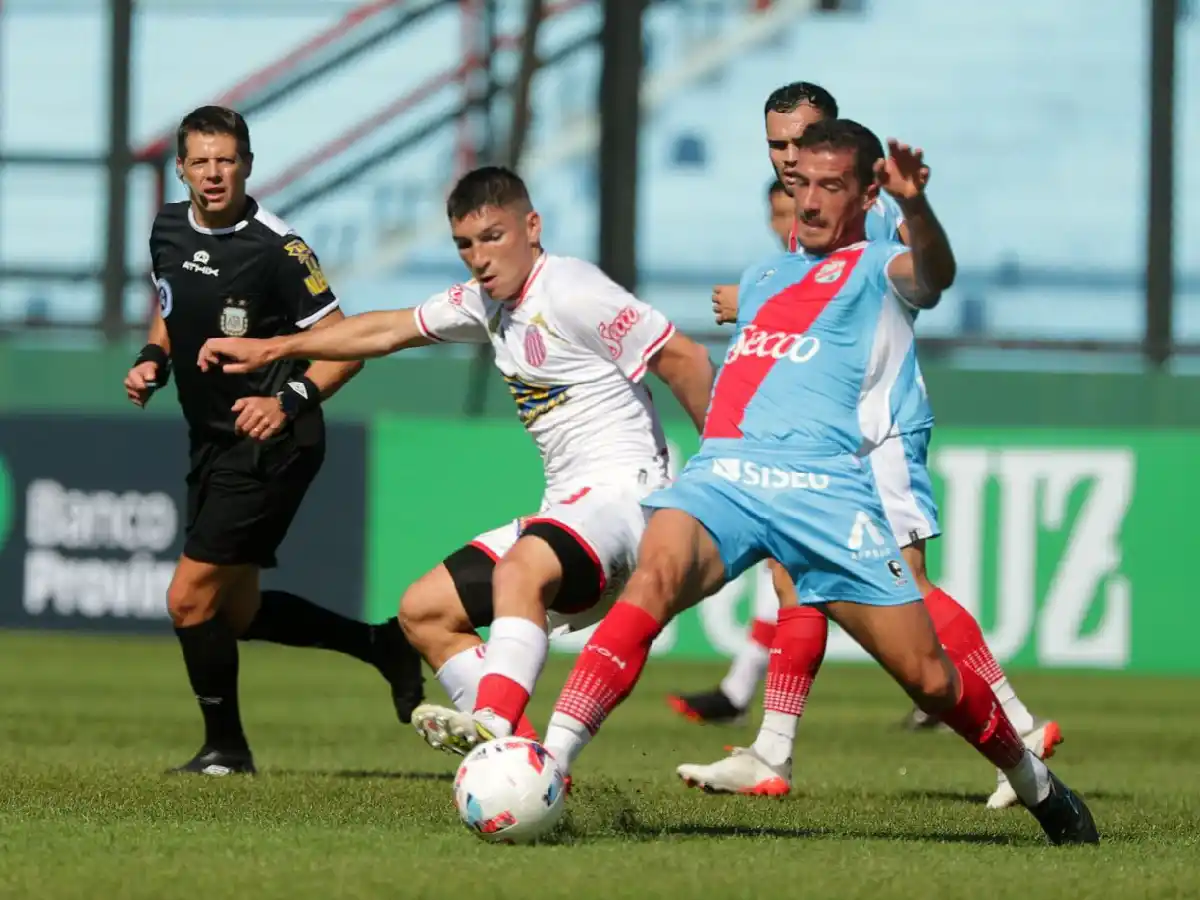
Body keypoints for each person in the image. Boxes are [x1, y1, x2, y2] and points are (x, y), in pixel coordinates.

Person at [436, 120, 1098, 845]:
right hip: (727, 474)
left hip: (825, 491)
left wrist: (917, 211)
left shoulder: (882, 266)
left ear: (867, 192)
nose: (808, 203)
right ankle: (547, 764)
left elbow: (934, 277)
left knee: (932, 682)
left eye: (829, 187)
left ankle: (1036, 783)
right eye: (798, 185)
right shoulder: (762, 275)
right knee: (654, 577)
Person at [196, 165, 716, 756]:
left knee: (520, 569)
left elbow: (686, 358)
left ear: (532, 227)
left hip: (622, 503)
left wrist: (720, 468)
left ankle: (493, 717)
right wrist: (276, 346)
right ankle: (526, 764)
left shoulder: (571, 290)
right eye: (465, 244)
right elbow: (385, 331)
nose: (479, 257)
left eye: (493, 236)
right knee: (425, 612)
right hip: (569, 510)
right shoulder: (483, 303)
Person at [668, 82, 1060, 812]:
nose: (789, 159)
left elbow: (922, 279)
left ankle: (1018, 726)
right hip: (830, 436)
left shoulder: (869, 211)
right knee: (798, 578)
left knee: (903, 586)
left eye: (802, 141)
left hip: (872, 427)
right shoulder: (805, 223)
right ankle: (772, 748)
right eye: (776, 146)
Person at [125, 105, 425, 776]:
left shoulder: (278, 249)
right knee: (235, 613)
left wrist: (287, 400)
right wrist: (152, 357)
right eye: (199, 161)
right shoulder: (168, 226)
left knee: (187, 599)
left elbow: (345, 349)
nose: (212, 173)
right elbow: (169, 305)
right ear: (180, 169)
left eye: (224, 160)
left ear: (248, 166)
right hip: (209, 439)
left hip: (274, 441)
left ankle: (225, 751)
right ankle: (383, 646)